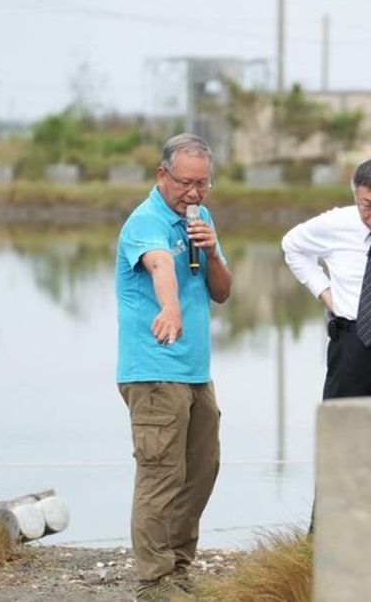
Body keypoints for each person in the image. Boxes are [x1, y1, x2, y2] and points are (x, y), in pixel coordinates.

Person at [115, 133, 232, 601]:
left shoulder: (201, 219)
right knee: (160, 473)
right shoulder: (145, 221)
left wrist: (212, 249)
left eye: (203, 184)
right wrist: (170, 308)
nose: (194, 193)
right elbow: (161, 265)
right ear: (162, 175)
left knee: (202, 468)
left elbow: (221, 290)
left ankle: (180, 566)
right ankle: (156, 580)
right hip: (153, 370)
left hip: (195, 371)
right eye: (185, 183)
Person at [281, 158, 371, 399]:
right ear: (355, 197)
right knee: (341, 427)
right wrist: (325, 293)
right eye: (366, 206)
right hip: (349, 343)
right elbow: (291, 246)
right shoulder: (336, 223)